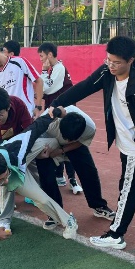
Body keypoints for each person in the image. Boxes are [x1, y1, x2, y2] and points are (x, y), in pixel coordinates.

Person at [51, 36, 135, 250]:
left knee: (127, 189)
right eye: (108, 60)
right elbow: (85, 86)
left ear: (130, 61)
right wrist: (57, 103)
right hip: (125, 144)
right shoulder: (107, 72)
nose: (111, 66)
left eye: (116, 62)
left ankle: (116, 234)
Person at [0, 113, 78, 240]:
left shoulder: (15, 149)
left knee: (51, 143)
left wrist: (54, 111)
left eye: (6, 175)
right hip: (10, 165)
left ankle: (68, 220)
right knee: (28, 194)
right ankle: (4, 219)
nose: (6, 181)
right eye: (0, 179)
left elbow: (34, 129)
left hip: (16, 161)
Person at [42, 106, 115, 222]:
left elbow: (80, 142)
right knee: (46, 175)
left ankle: (99, 206)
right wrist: (47, 153)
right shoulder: (46, 123)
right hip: (49, 141)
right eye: (65, 138)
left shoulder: (89, 127)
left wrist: (62, 150)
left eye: (70, 139)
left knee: (89, 171)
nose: (67, 141)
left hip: (73, 145)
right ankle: (55, 212)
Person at [37, 42, 80, 192]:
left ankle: (72, 179)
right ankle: (60, 175)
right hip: (56, 112)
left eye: (42, 56)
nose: (41, 59)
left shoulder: (59, 68)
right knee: (57, 141)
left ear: (49, 54)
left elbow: (47, 88)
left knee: (66, 142)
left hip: (63, 113)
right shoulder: (54, 69)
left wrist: (43, 71)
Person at [0, 39, 43, 118]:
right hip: (9, 121)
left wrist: (38, 107)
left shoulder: (19, 62)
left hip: (27, 115)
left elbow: (39, 81)